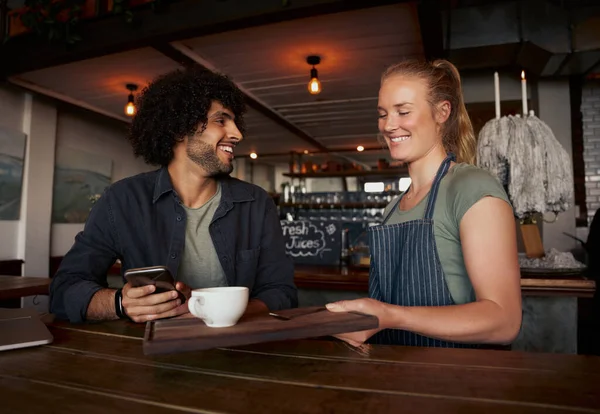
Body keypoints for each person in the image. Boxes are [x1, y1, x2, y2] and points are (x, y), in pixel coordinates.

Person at [49, 68, 297, 323]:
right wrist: (121, 304)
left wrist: (216, 308)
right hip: (153, 354)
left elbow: (282, 293)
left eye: (234, 122)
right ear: (180, 128)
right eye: (221, 120)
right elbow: (64, 290)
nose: (237, 134)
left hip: (240, 353)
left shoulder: (256, 203)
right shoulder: (122, 200)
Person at [327, 59, 522, 348]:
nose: (389, 125)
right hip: (394, 377)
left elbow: (504, 321)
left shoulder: (471, 187)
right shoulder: (392, 208)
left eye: (403, 111)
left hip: (459, 382)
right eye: (383, 114)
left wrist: (390, 316)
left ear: (442, 111)